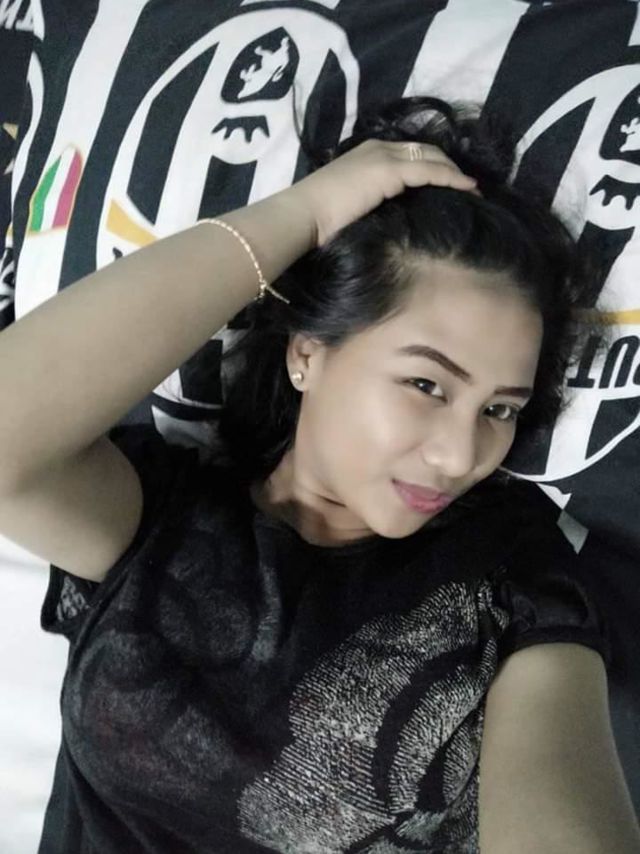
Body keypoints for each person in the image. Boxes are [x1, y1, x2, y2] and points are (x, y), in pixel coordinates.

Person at [0, 97, 638, 853]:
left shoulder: (511, 581)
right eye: (426, 385)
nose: (459, 454)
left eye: (500, 409)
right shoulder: (158, 516)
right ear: (308, 352)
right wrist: (303, 214)